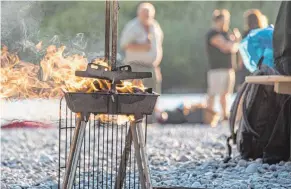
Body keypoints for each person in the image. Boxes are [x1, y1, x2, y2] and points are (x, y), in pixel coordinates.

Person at [120, 2, 164, 94]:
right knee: (134, 96)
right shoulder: (132, 26)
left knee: (154, 96)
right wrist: (143, 46)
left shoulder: (155, 26)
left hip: (152, 68)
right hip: (136, 68)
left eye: (149, 14)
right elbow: (124, 45)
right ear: (139, 14)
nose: (147, 16)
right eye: (145, 14)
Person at [206, 9, 240, 120]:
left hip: (228, 68)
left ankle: (225, 116)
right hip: (217, 69)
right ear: (218, 20)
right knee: (213, 93)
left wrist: (234, 42)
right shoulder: (213, 34)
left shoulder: (227, 34)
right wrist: (235, 41)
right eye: (224, 21)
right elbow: (226, 47)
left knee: (225, 94)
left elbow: (234, 48)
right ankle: (208, 116)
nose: (226, 23)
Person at [236, 9, 267, 90]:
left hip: (247, 64)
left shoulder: (246, 34)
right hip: (261, 65)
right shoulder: (263, 32)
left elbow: (242, 51)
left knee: (243, 88)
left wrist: (239, 64)